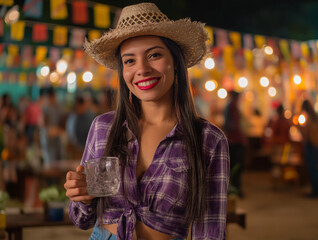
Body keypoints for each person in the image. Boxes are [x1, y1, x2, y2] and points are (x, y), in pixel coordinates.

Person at [64, 3, 230, 240]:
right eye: (129, 61)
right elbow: (81, 219)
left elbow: (211, 231)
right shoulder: (103, 128)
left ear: (176, 61)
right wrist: (82, 195)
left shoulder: (208, 139)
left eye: (154, 55)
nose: (141, 69)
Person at [223, 90, 246, 197]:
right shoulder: (232, 107)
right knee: (235, 166)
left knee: (235, 166)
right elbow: (231, 125)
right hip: (235, 140)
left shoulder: (231, 107)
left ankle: (235, 189)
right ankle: (234, 189)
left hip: (234, 140)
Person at [301, 99, 318, 198]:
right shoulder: (315, 117)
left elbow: (307, 134)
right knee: (314, 169)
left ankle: (315, 190)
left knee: (313, 169)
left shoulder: (310, 118)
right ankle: (315, 190)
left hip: (312, 146)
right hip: (314, 145)